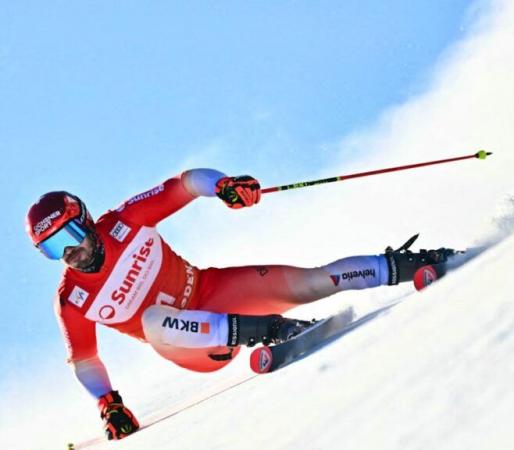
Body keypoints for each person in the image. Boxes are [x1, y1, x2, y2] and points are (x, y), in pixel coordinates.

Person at [25, 168, 458, 440]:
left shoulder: (125, 221)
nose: (69, 254)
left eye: (68, 237)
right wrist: (110, 405)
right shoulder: (73, 299)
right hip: (194, 345)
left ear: (83, 219)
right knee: (155, 321)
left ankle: (403, 266)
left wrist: (224, 186)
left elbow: (185, 183)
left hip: (216, 293)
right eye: (51, 250)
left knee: (310, 281)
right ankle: (272, 330)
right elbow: (84, 360)